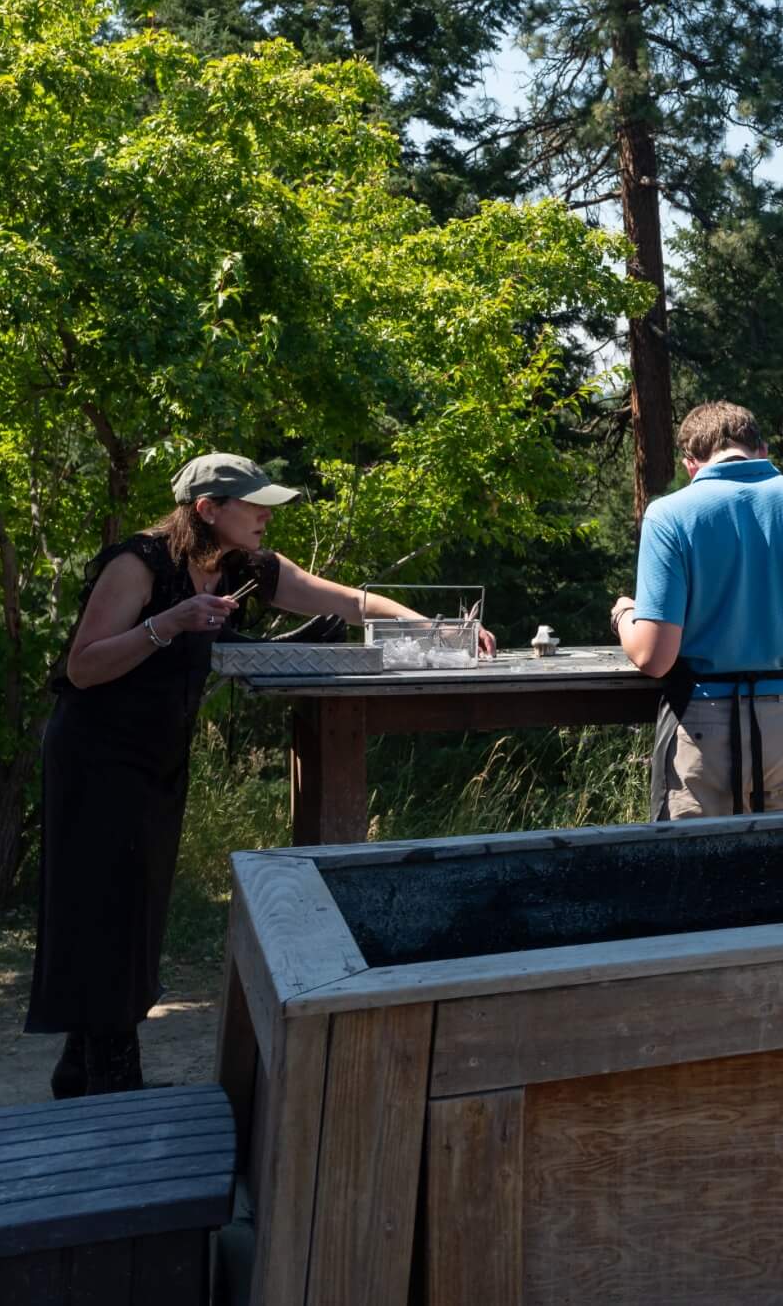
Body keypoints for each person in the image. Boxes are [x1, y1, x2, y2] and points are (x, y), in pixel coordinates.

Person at [27, 453, 491, 1098]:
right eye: (254, 505)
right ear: (207, 511)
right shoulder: (138, 563)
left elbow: (344, 600)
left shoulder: (241, 564)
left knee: (135, 907)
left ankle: (83, 1072)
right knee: (104, 906)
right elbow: (83, 667)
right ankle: (111, 1081)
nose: (267, 515)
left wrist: (434, 627)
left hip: (155, 753)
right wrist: (168, 624)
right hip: (94, 755)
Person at [611, 402, 783, 819]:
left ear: (691, 464)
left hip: (705, 726)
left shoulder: (668, 515)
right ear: (763, 449)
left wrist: (623, 614)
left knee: (703, 878)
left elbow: (654, 656)